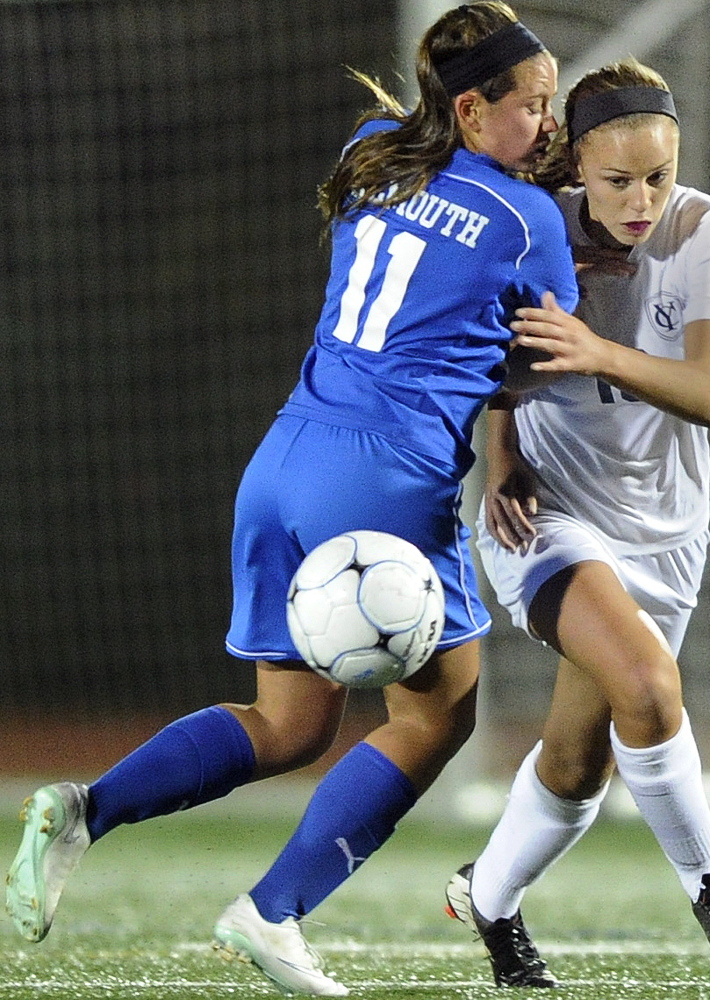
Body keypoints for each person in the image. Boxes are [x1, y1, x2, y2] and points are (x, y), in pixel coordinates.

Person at [5, 4, 579, 996]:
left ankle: (89, 806)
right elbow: (549, 357)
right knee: (436, 713)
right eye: (532, 108)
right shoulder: (524, 221)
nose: (547, 124)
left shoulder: (369, 150)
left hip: (284, 458)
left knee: (292, 723)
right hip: (388, 473)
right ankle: (271, 911)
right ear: (474, 106)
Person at [444, 58, 710, 987]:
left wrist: (598, 349)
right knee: (646, 680)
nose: (641, 200)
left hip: (666, 529)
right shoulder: (531, 228)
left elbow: (708, 396)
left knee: (578, 758)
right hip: (548, 517)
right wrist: (501, 459)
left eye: (659, 177)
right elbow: (490, 357)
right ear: (576, 167)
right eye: (617, 180)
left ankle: (491, 899)